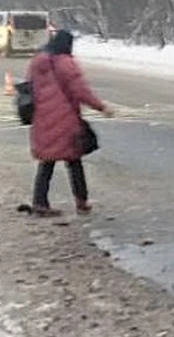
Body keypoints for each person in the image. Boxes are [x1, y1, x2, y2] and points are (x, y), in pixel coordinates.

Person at [27, 30, 114, 217]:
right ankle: (82, 202)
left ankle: (39, 201)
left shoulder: (37, 62)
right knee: (74, 161)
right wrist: (101, 107)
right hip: (65, 118)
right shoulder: (66, 63)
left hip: (42, 117)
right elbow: (80, 90)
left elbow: (31, 88)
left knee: (47, 161)